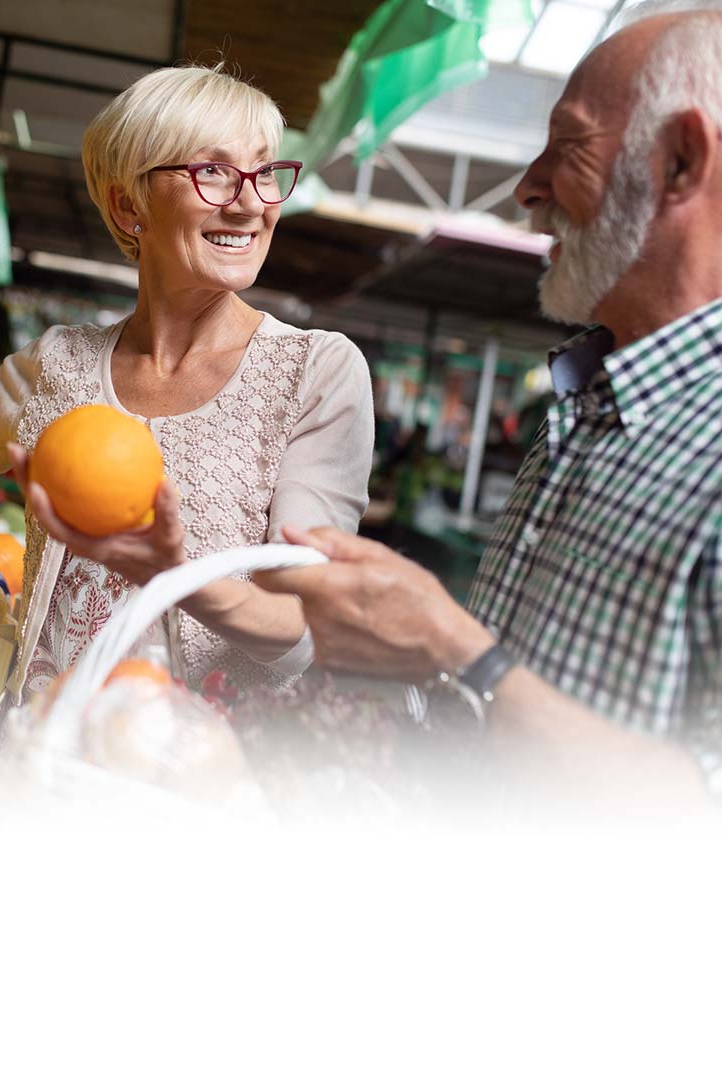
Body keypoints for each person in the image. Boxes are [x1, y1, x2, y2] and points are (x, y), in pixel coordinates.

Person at [258, 1, 722, 812]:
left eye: (568, 146)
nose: (527, 187)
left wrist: (455, 645)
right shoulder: (584, 407)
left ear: (681, 160)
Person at [0, 64, 374, 699]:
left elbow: (304, 623)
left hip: (193, 778)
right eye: (212, 170)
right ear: (128, 204)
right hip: (35, 759)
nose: (249, 202)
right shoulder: (58, 366)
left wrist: (174, 572)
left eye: (265, 171)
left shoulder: (315, 373)